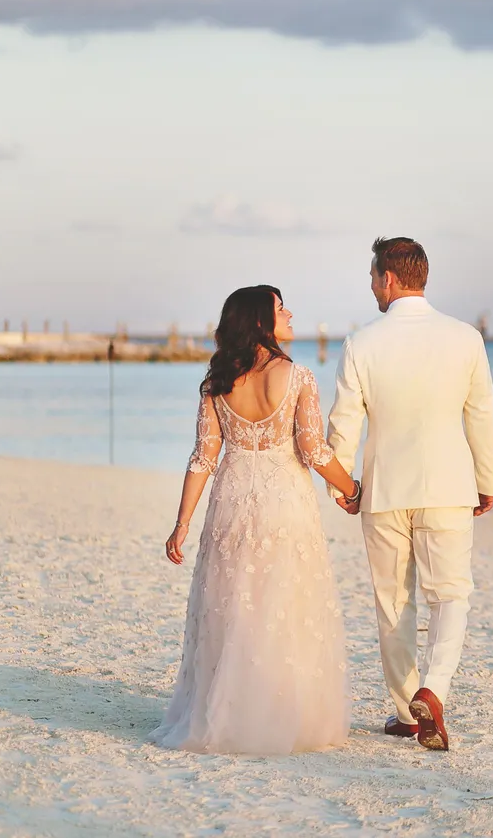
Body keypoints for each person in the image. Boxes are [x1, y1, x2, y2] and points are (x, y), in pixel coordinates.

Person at [153, 286, 361, 754]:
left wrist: (182, 522)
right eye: (280, 307)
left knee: (233, 605)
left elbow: (203, 457)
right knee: (283, 604)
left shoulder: (217, 380)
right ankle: (281, 714)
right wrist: (351, 489)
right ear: (262, 322)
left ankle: (226, 712)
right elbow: (313, 450)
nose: (290, 313)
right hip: (284, 503)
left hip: (230, 503)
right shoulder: (296, 375)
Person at [326, 237, 493, 752]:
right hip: (448, 485)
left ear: (391, 279)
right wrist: (487, 482)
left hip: (384, 490)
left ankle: (407, 712)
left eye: (374, 276)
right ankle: (435, 690)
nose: (373, 285)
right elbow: (481, 415)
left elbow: (345, 424)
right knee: (451, 595)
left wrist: (344, 482)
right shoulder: (466, 338)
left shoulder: (361, 343)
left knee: (393, 603)